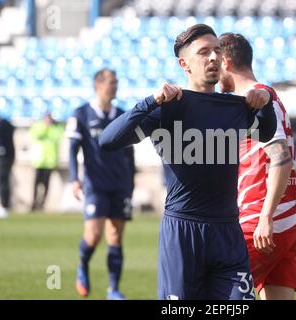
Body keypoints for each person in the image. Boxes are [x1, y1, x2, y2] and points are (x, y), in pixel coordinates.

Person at [99, 24, 277, 300]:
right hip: (183, 232)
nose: (214, 58)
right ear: (185, 64)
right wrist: (149, 101)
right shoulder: (168, 107)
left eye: (217, 50)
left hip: (228, 231)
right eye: (204, 52)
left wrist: (265, 102)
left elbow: (266, 132)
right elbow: (108, 140)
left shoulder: (235, 106)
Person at [218, 32, 296, 300]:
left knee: (217, 291)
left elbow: (280, 158)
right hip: (285, 218)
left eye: (214, 60)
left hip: (262, 220)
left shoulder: (255, 100)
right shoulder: (268, 97)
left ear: (227, 62)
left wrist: (265, 217)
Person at [65, 69, 135, 300]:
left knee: (115, 236)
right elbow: (73, 149)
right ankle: (83, 265)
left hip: (120, 184)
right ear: (98, 85)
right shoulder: (81, 114)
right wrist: (74, 179)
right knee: (93, 236)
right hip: (95, 185)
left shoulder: (122, 115)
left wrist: (131, 182)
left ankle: (113, 290)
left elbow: (130, 152)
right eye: (111, 83)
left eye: (116, 82)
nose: (115, 87)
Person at [29, 112, 64, 211]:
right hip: (38, 160)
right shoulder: (38, 126)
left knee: (46, 183)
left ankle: (42, 203)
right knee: (36, 183)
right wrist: (46, 127)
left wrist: (53, 126)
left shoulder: (56, 128)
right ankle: (34, 202)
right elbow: (36, 135)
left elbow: (58, 137)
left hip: (50, 161)